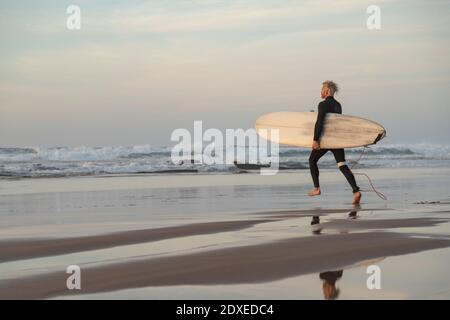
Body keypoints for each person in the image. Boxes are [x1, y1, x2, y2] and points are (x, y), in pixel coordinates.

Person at [308, 81, 361, 205]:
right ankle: (356, 191)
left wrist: (315, 139)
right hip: (337, 140)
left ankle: (317, 188)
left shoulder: (322, 104)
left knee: (312, 160)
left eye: (322, 90)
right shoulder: (338, 105)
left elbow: (320, 122)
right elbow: (334, 122)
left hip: (326, 140)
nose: (320, 92)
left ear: (327, 91)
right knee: (342, 165)